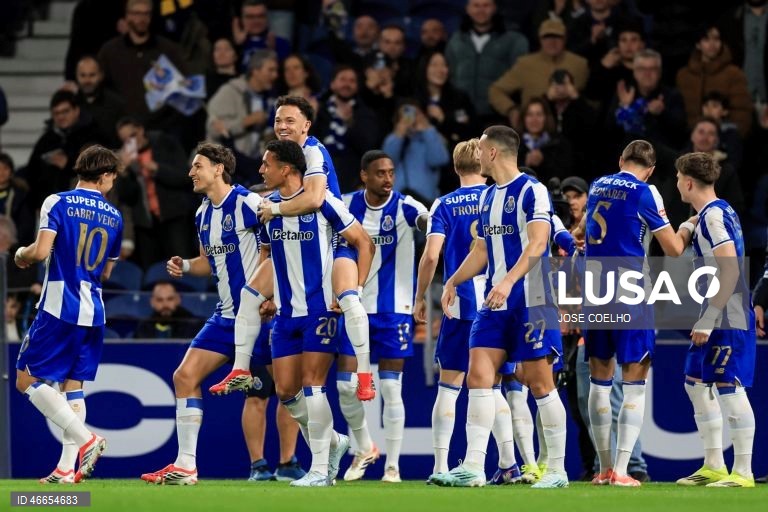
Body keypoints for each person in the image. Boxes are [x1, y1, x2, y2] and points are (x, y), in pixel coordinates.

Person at [429, 125, 569, 489]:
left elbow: (539, 244)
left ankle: (556, 470)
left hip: (531, 300)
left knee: (539, 383)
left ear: (492, 153)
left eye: (481, 150)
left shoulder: (532, 192)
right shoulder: (488, 197)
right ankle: (473, 466)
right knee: (479, 374)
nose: (477, 156)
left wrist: (508, 282)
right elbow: (481, 250)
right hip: (495, 301)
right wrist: (454, 281)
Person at [211, 96, 376, 401]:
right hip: (295, 243)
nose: (282, 126)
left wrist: (273, 210)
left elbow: (313, 199)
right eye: (277, 121)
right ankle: (241, 368)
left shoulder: (313, 152)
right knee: (250, 296)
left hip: (334, 238)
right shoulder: (283, 160)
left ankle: (365, 375)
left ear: (306, 126)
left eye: (290, 120)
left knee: (350, 299)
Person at [139, 142, 268, 485]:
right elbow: (208, 263)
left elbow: (279, 251)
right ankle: (186, 465)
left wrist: (272, 296)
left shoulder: (250, 203)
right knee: (184, 376)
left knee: (291, 394)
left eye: (197, 166)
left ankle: (332, 444)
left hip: (264, 317)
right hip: (226, 317)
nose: (191, 173)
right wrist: (186, 265)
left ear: (218, 169)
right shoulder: (202, 214)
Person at [255, 139, 374, 487]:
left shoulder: (325, 205)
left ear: (286, 169)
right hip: (286, 314)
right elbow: (268, 257)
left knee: (312, 385)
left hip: (321, 310)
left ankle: (320, 469)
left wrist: (357, 287)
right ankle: (334, 442)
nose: (262, 170)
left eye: (267, 164)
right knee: (285, 391)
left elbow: (363, 242)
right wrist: (266, 295)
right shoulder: (267, 208)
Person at [584, 140, 695, 487]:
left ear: (620, 160)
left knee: (600, 380)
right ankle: (620, 470)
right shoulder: (646, 192)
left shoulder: (597, 185)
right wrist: (690, 224)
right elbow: (673, 249)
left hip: (594, 287)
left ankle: (602, 469)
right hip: (629, 289)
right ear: (650, 171)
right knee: (634, 382)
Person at [15, 144, 123, 484]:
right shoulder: (115, 216)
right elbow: (106, 273)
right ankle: (65, 470)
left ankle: (87, 438)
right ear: (105, 175)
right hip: (94, 311)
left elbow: (42, 250)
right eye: (113, 179)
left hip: (59, 306)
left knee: (25, 379)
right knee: (72, 387)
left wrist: (21, 253)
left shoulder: (57, 201)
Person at [337, 150, 428, 483]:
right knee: (345, 386)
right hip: (353, 307)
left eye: (391, 173)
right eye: (380, 173)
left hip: (394, 311)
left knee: (391, 390)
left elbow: (428, 223)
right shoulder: (345, 205)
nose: (388, 179)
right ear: (364, 176)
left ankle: (393, 466)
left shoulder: (406, 206)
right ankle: (364, 447)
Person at [674, 152, 757, 488]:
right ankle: (713, 464)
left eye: (679, 178)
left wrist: (709, 319)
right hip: (717, 308)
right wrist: (689, 222)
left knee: (729, 386)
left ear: (689, 182)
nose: (677, 183)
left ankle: (744, 472)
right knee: (694, 382)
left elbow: (731, 270)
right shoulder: (716, 211)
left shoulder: (712, 218)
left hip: (728, 310)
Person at [414, 139, 488, 476]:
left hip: (460, 303)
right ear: (484, 164)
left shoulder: (443, 204)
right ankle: (496, 465)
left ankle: (440, 466)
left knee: (449, 385)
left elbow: (431, 256)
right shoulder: (499, 196)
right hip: (498, 302)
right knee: (493, 388)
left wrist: (420, 297)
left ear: (455, 167)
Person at [134, 282, 203, 339]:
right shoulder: (144, 327)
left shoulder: (194, 325)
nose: (165, 305)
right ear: (152, 302)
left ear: (178, 300)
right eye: (159, 300)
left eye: (170, 299)